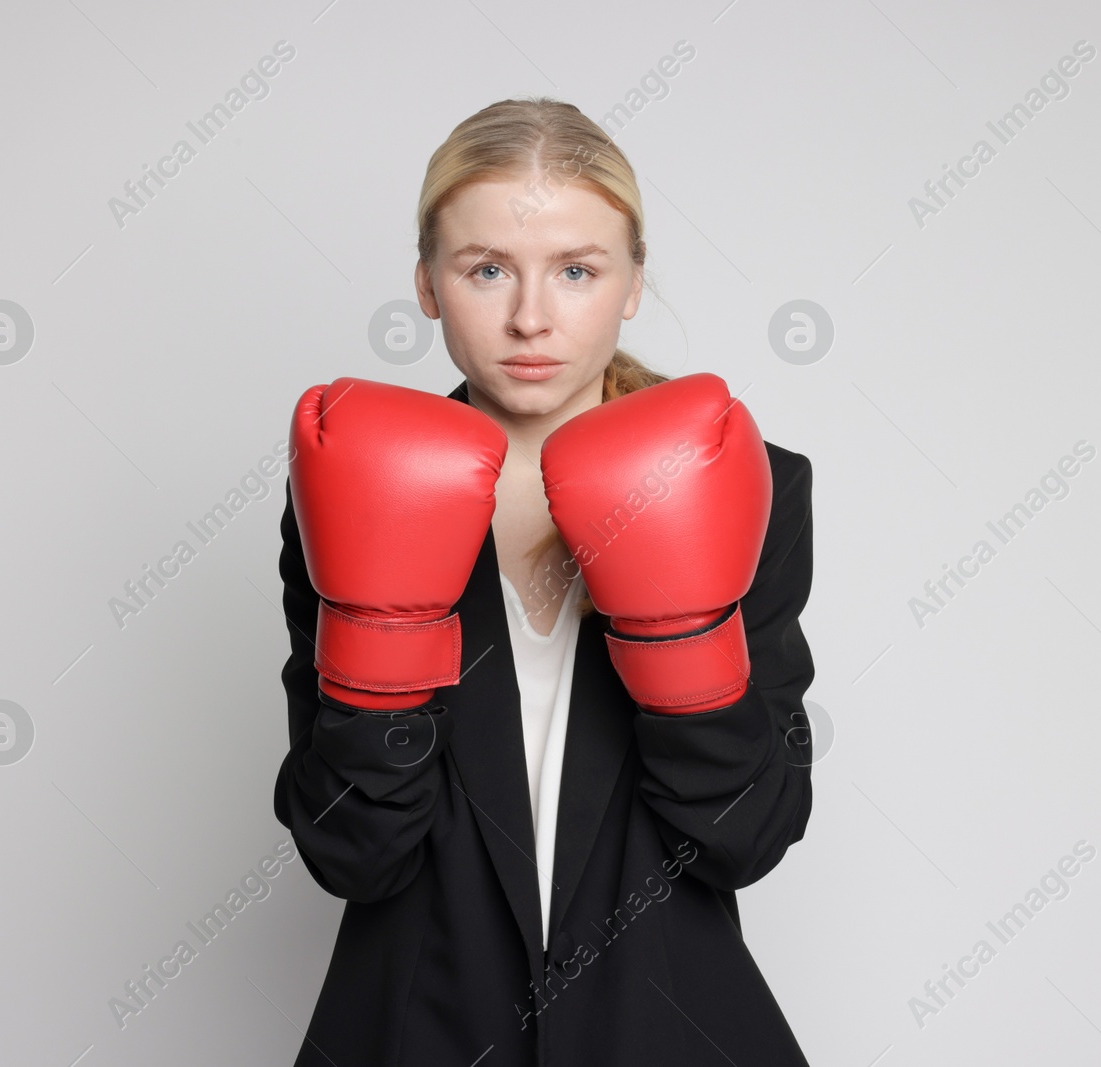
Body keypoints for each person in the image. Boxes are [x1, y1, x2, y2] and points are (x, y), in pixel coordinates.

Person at [272, 96, 816, 1066]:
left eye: (576, 269)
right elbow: (350, 850)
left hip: (671, 1032)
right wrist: (378, 644)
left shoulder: (751, 483)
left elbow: (749, 835)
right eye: (487, 268)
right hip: (421, 1032)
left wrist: (680, 642)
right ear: (429, 283)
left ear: (633, 281)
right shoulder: (350, 484)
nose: (531, 316)